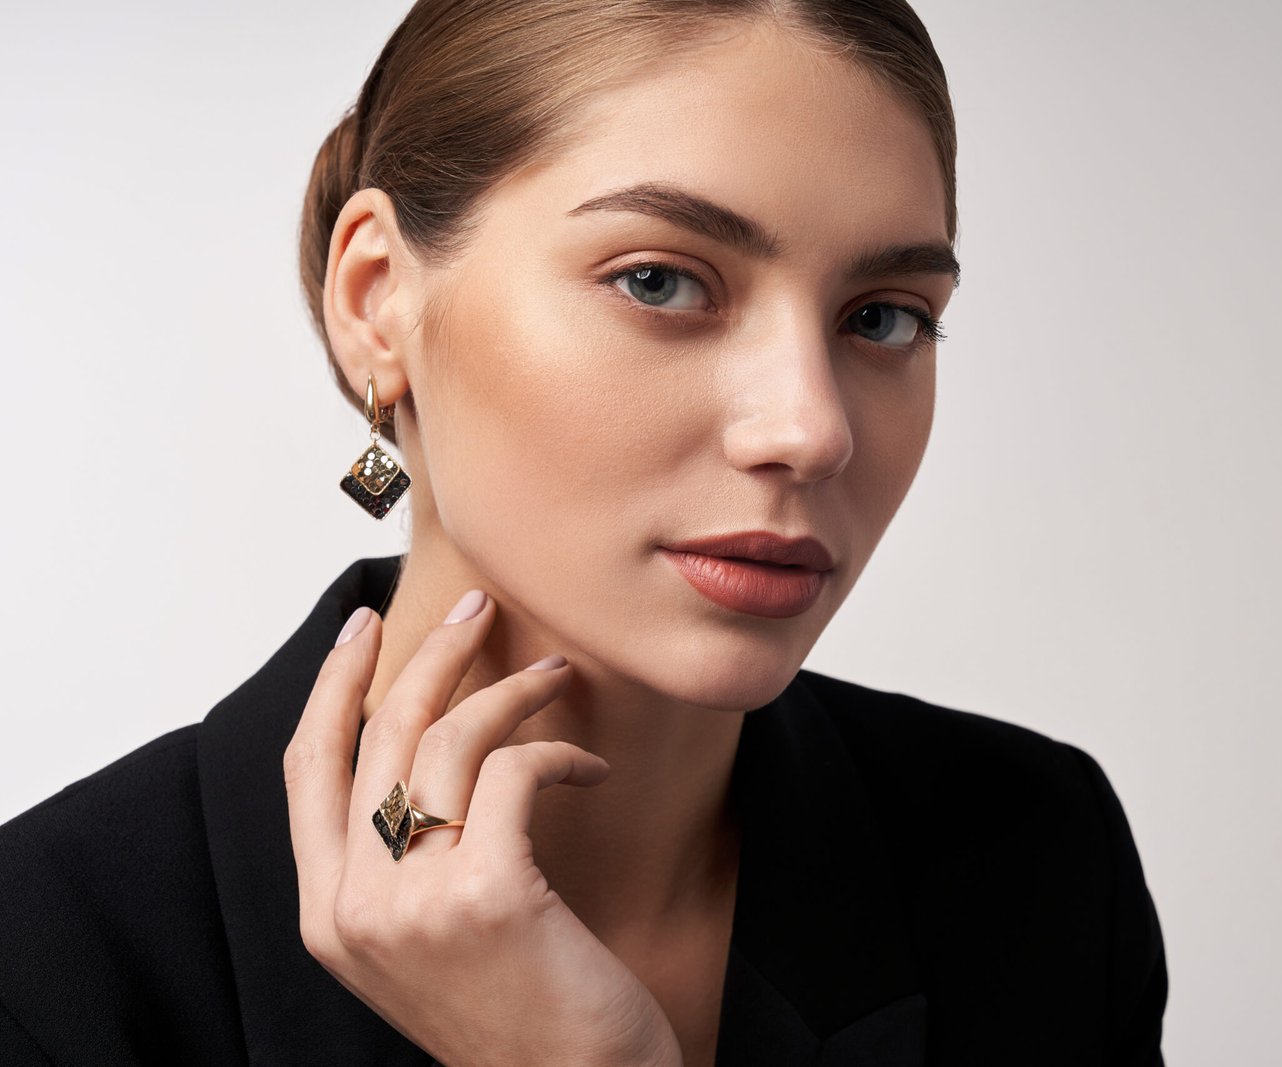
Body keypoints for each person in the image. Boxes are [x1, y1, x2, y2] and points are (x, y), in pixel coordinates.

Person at [0, 1, 1167, 1063]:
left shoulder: (1036, 857)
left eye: (882, 317)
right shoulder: (51, 961)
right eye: (661, 281)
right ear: (376, 301)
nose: (810, 429)